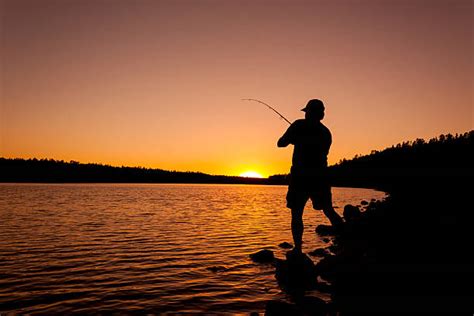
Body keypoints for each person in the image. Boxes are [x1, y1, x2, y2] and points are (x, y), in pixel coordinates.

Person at [278, 99, 343, 253]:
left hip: (300, 177)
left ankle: (298, 249)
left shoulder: (298, 125)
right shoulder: (326, 132)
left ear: (308, 112)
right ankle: (345, 238)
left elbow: (280, 143)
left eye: (306, 111)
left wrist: (294, 138)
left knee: (296, 213)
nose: (305, 114)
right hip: (320, 176)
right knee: (328, 210)